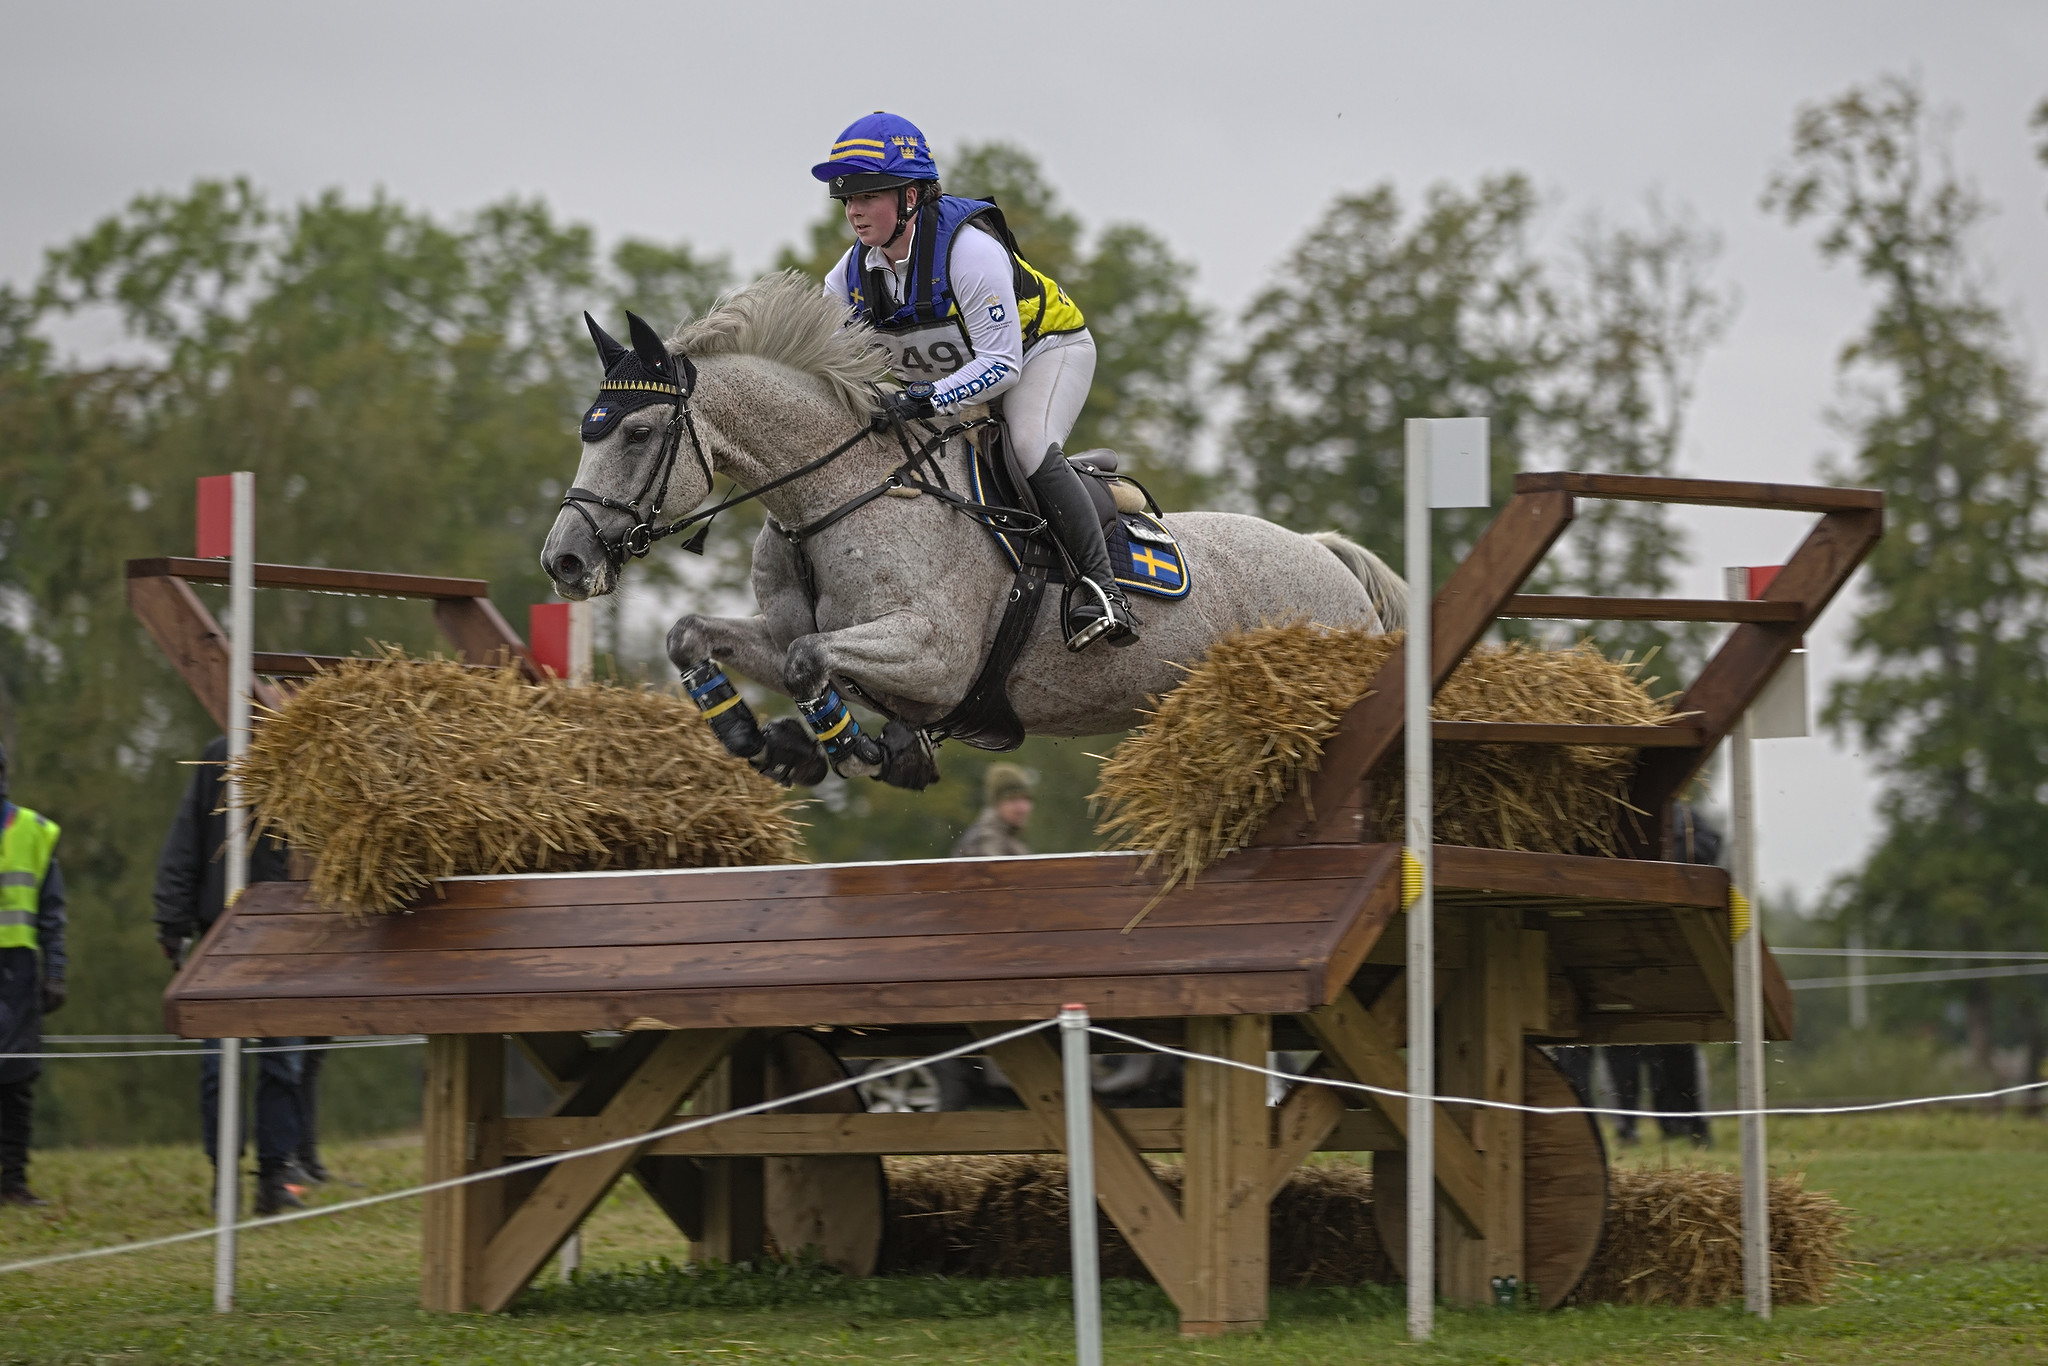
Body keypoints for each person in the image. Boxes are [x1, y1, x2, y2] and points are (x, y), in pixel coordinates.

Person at [812, 111, 1139, 652]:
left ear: (912, 196)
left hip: (1045, 353)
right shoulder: (845, 280)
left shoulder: (968, 250)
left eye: (869, 194)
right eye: (846, 197)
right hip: (959, 382)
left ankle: (1103, 591)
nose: (854, 209)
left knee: (1028, 443)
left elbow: (1003, 366)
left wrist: (927, 398)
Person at [150, 736, 312, 1214]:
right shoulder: (220, 757)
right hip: (223, 935)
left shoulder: (311, 755)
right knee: (220, 1067)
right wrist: (172, 921)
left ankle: (274, 1176)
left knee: (284, 1063)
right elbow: (186, 838)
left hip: (288, 936)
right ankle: (224, 1175)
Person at [1611, 798, 1722, 1148]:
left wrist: (1670, 869)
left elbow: (1708, 845)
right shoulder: (1617, 811)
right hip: (1624, 946)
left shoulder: (1683, 815)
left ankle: (1685, 1127)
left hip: (1668, 942)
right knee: (1620, 1049)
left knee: (1675, 1048)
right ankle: (1627, 1127)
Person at [0, 740, 66, 1207]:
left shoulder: (34, 831)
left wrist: (56, 973)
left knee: (17, 1080)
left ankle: (12, 1181)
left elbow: (52, 912)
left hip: (18, 971)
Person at [951, 764, 1035, 858]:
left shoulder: (1009, 839)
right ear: (996, 804)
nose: (1022, 808)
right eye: (1012, 799)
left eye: (1025, 799)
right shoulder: (986, 840)